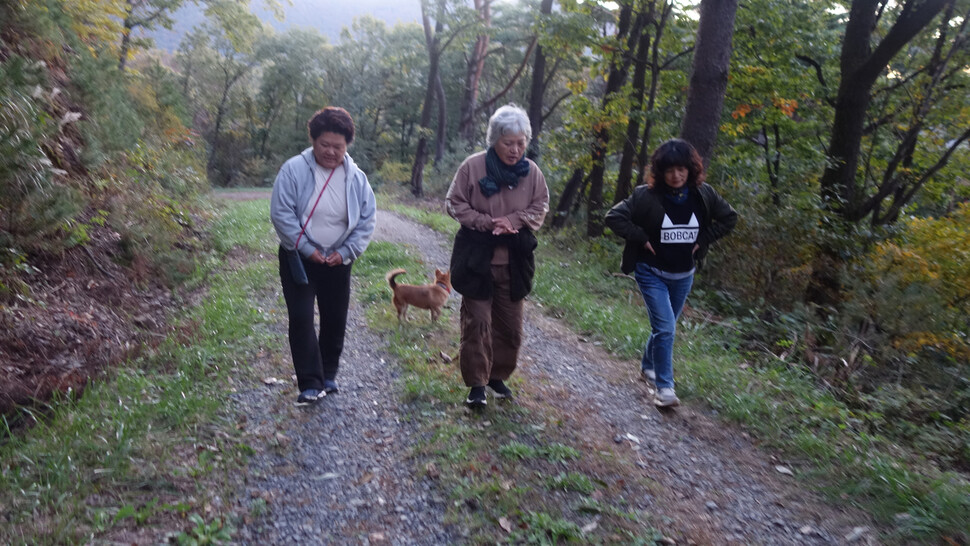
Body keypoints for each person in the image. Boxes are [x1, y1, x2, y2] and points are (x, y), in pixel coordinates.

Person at [605, 138, 737, 407]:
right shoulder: (646, 196)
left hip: (683, 275)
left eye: (681, 169)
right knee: (665, 328)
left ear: (691, 169)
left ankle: (647, 366)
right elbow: (613, 217)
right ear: (660, 172)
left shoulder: (704, 195)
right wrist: (641, 237)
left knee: (665, 327)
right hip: (651, 272)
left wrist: (705, 238)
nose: (675, 175)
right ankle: (665, 388)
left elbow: (729, 218)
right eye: (669, 170)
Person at [446, 104, 550, 408]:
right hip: (476, 259)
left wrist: (514, 221)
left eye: (521, 143)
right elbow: (454, 203)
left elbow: (540, 206)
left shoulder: (532, 173)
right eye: (508, 143)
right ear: (494, 140)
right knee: (477, 323)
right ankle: (477, 385)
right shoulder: (472, 167)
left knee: (510, 327)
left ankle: (496, 376)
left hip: (515, 262)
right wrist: (486, 223)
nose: (515, 149)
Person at [270, 107, 376, 405]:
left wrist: (345, 252)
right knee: (302, 317)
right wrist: (307, 248)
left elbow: (367, 219)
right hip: (299, 259)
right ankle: (310, 383)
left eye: (338, 147)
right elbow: (281, 213)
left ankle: (328, 373)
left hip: (338, 260)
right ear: (313, 141)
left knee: (335, 318)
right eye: (324, 145)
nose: (331, 152)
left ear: (347, 146)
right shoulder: (293, 170)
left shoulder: (356, 178)